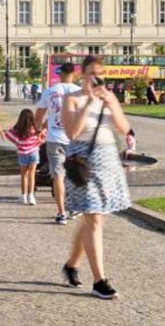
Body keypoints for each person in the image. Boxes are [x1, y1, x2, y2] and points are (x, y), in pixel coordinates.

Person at [59, 55, 132, 300]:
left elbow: (123, 128)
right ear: (82, 74)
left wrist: (112, 104)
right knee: (94, 220)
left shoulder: (108, 97)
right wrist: (90, 101)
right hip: (83, 161)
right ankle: (99, 281)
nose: (97, 77)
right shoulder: (72, 99)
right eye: (92, 72)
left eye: (100, 72)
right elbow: (72, 132)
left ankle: (71, 265)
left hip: (107, 159)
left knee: (94, 219)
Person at [35, 62, 80, 225]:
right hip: (74, 139)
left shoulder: (50, 91)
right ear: (74, 74)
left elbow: (38, 115)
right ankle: (73, 207)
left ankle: (61, 213)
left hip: (54, 139)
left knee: (58, 176)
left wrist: (39, 130)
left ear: (60, 74)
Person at [4, 108, 44, 205]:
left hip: (22, 153)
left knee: (24, 176)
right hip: (34, 152)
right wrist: (39, 142)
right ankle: (31, 196)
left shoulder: (18, 129)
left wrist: (18, 143)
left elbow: (8, 134)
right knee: (31, 175)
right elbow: (44, 135)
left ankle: (24, 196)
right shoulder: (35, 128)